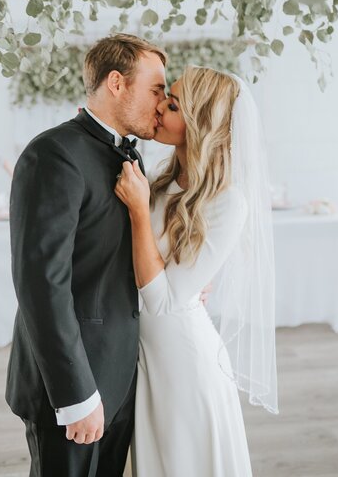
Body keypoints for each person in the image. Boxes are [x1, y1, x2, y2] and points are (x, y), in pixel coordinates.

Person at [5, 34, 168, 477]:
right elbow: (41, 286)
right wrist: (75, 395)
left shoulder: (126, 155)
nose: (162, 101)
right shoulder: (53, 154)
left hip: (118, 376)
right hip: (70, 387)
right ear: (117, 83)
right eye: (156, 89)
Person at [115, 66, 279, 477]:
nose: (159, 108)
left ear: (199, 123)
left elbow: (162, 300)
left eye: (172, 105)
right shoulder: (157, 179)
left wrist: (138, 211)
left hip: (182, 363)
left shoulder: (228, 203)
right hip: (142, 353)